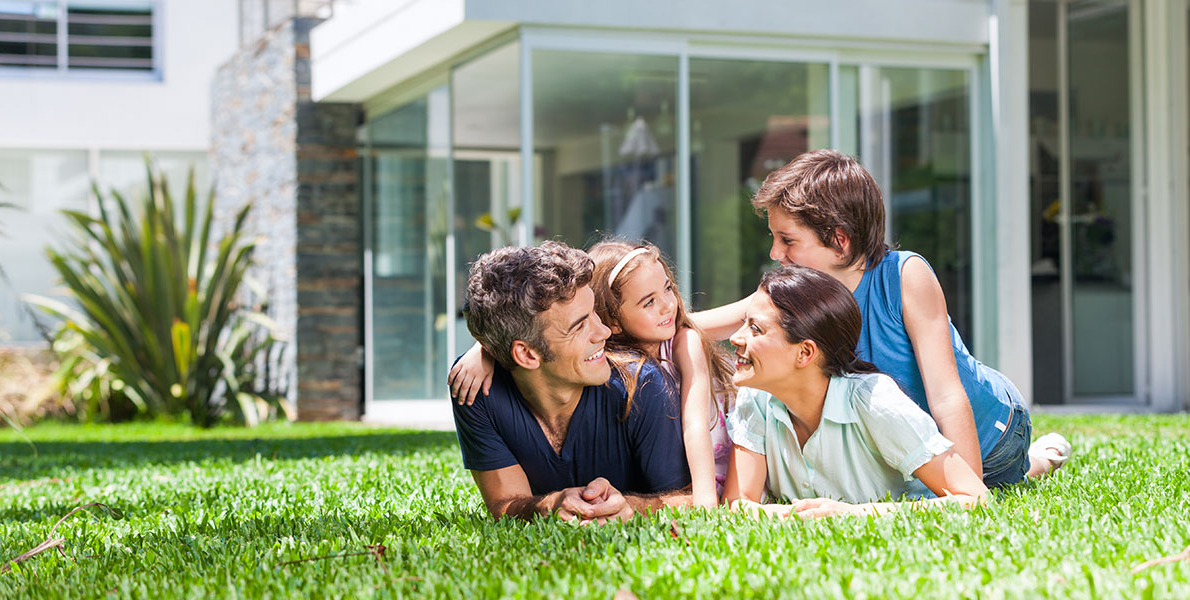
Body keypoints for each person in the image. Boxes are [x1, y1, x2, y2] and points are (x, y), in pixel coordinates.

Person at [697, 149, 1070, 488]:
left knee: (995, 481)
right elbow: (714, 322)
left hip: (991, 433)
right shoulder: (802, 292)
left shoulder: (904, 276)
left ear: (839, 240)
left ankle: (1038, 459)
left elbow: (946, 394)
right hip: (915, 442)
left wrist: (967, 487)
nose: (776, 252)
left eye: (788, 240)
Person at [450, 240, 736, 507]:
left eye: (595, 314)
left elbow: (688, 498)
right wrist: (485, 347)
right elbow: (505, 504)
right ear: (525, 354)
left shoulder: (648, 379)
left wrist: (634, 508)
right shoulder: (474, 385)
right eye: (579, 326)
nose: (604, 333)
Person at [724, 265, 989, 517]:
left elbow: (976, 498)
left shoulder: (876, 402)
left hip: (999, 437)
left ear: (805, 352)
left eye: (755, 329)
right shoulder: (756, 395)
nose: (735, 337)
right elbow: (738, 503)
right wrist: (793, 515)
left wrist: (853, 514)